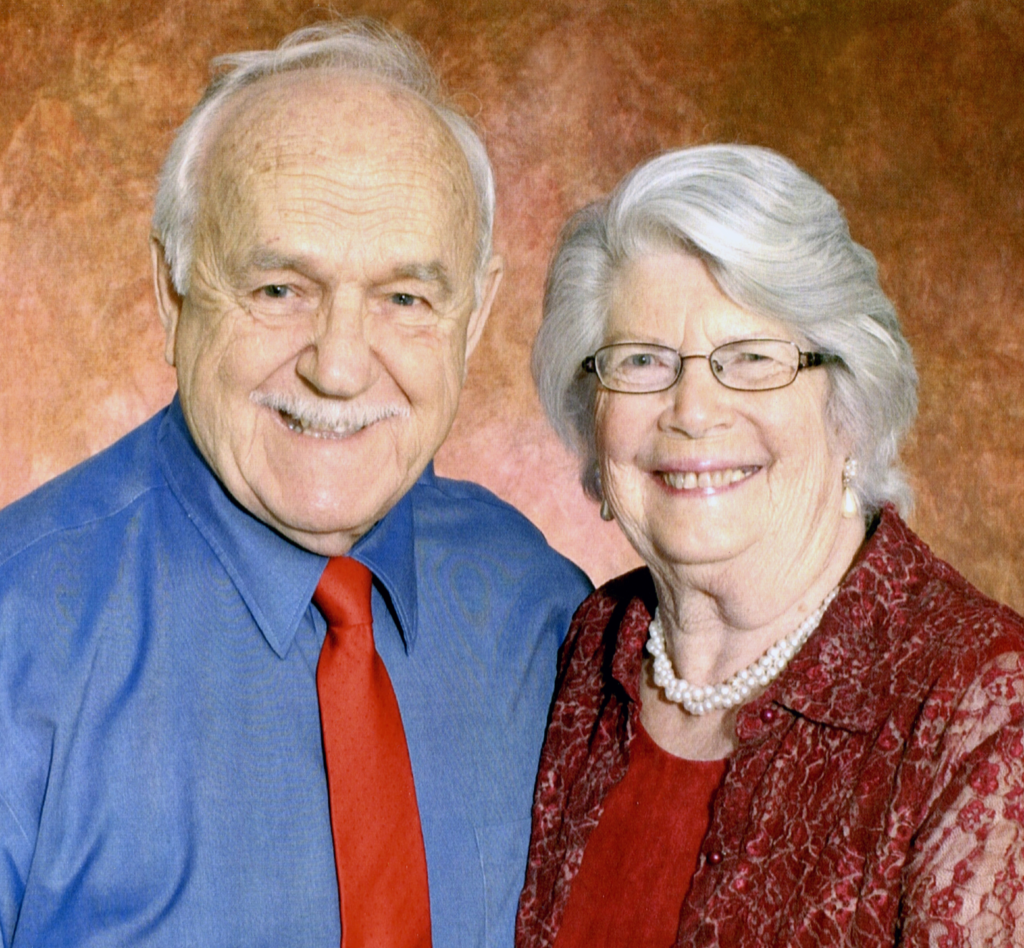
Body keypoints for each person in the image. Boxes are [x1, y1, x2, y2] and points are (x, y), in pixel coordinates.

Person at [0, 20, 591, 948]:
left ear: (473, 318)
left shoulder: (542, 612)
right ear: (172, 291)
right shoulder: (17, 630)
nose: (340, 368)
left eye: (405, 298)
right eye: (280, 289)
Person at [516, 144, 1024, 947]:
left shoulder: (984, 709)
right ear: (592, 413)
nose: (693, 411)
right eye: (643, 361)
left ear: (849, 404)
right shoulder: (589, 646)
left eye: (751, 359)